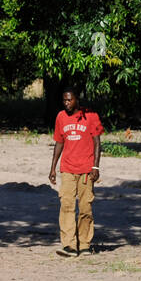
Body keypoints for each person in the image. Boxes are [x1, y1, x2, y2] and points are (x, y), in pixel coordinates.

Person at [47, 88, 102, 256]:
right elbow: (59, 143)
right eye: (64, 100)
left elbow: (97, 143)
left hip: (86, 170)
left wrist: (96, 166)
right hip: (68, 168)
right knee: (67, 205)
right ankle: (69, 245)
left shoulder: (90, 116)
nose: (67, 103)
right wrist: (53, 168)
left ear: (77, 99)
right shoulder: (61, 117)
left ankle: (84, 244)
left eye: (69, 100)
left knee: (85, 207)